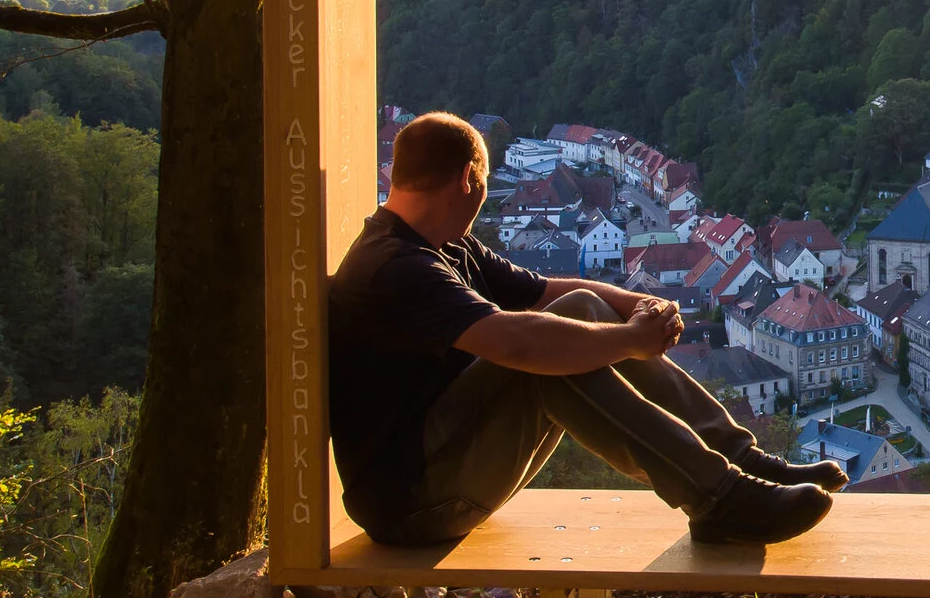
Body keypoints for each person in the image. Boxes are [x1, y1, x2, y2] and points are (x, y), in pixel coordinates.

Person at [326, 112, 843, 548]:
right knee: (541, 365)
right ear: (468, 178)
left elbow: (546, 292)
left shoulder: (438, 242)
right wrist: (633, 341)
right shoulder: (396, 268)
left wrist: (638, 306)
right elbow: (517, 343)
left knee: (582, 305)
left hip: (439, 468)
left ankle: (739, 461)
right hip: (414, 505)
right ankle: (718, 498)